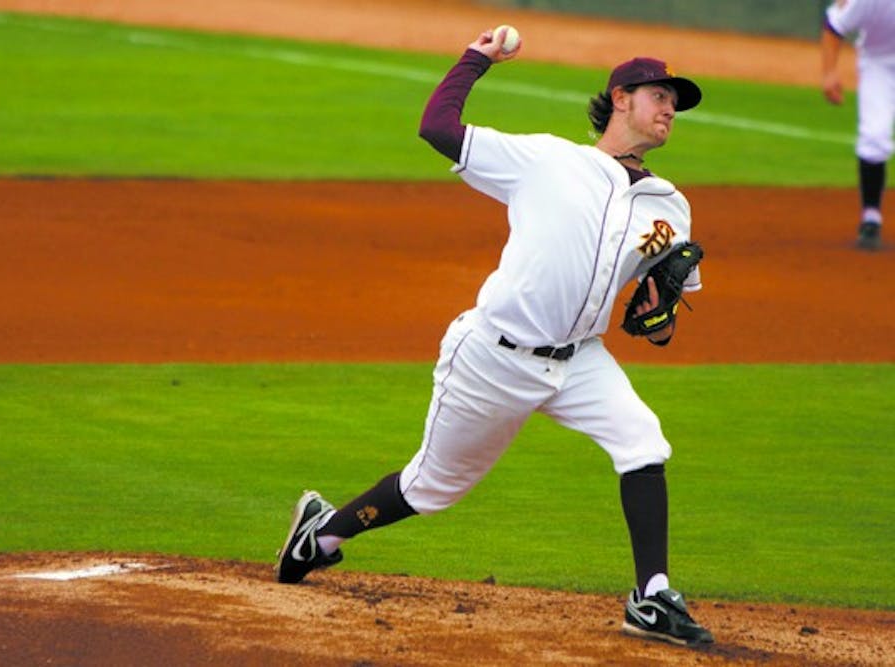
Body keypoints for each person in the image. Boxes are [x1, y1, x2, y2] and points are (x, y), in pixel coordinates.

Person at [275, 27, 713, 647]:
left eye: (676, 101)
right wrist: (475, 60)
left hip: (581, 361)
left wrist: (657, 316)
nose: (670, 108)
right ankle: (321, 535)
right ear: (620, 98)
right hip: (493, 356)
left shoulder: (673, 207)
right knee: (430, 487)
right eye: (659, 95)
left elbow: (659, 321)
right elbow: (438, 128)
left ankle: (652, 594)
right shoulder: (547, 160)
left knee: (642, 440)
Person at [820, 0, 895, 251]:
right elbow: (834, 25)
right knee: (874, 136)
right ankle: (871, 217)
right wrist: (829, 73)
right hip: (879, 65)